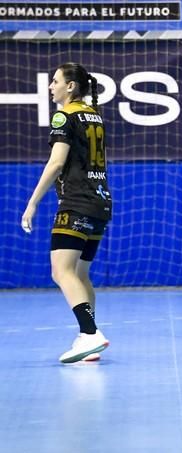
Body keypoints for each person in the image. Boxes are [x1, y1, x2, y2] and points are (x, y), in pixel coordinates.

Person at [21, 63, 111, 364]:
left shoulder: (64, 115)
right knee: (80, 273)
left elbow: (57, 162)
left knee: (60, 271)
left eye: (55, 81)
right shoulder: (94, 114)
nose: (51, 86)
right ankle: (91, 338)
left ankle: (89, 334)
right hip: (100, 201)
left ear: (70, 86)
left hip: (76, 202)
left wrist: (33, 202)